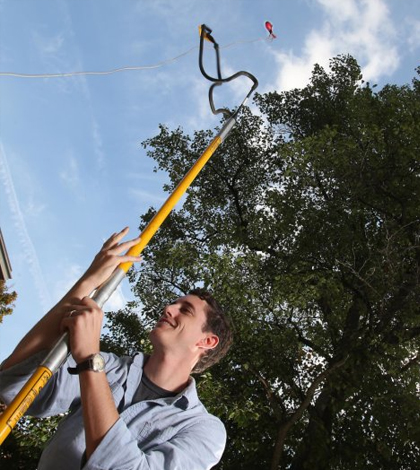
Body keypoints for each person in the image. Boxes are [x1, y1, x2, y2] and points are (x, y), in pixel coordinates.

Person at [0, 228, 233, 469]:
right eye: (173, 303)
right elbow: (13, 386)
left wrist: (90, 359)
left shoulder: (203, 428)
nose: (168, 309)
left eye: (185, 310)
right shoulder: (110, 368)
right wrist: (88, 282)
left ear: (207, 341)